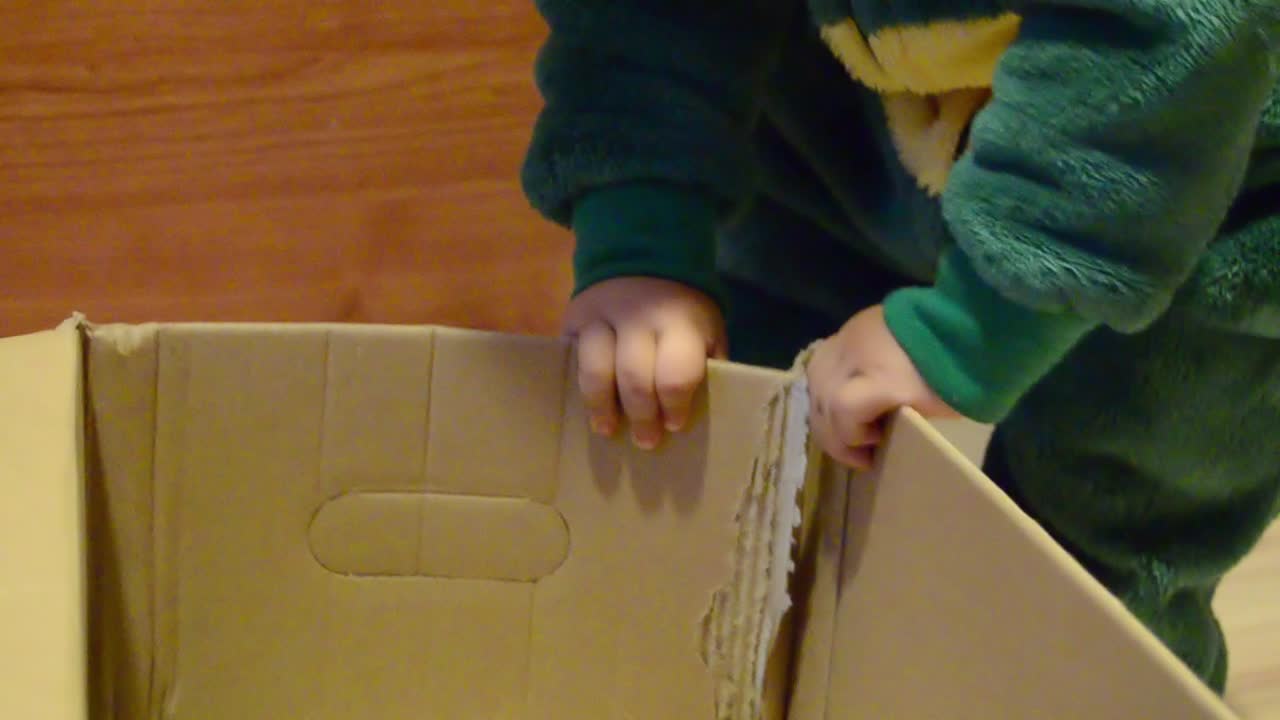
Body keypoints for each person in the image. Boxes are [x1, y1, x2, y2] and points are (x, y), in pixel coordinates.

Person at [520, 0, 1280, 692]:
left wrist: (971, 332)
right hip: (859, 105)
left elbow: (1168, 46)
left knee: (1100, 560)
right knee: (733, 457)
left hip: (1207, 171)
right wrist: (642, 225)